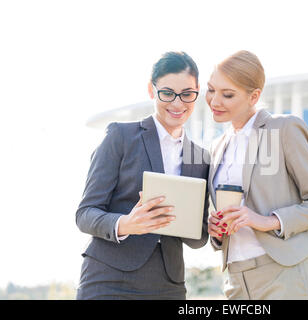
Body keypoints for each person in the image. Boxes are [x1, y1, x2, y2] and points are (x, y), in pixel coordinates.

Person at [76, 51, 210, 300]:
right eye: (168, 93)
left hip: (167, 284)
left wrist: (213, 228)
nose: (178, 103)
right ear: (152, 90)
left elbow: (197, 238)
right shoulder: (121, 137)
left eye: (187, 94)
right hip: (108, 279)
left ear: (197, 92)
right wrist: (125, 224)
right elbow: (85, 214)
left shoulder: (200, 158)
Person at [206, 50, 308, 300]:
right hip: (235, 280)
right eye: (211, 89)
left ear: (254, 96)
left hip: (282, 273)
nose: (214, 101)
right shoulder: (216, 148)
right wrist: (216, 230)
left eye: (228, 94)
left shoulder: (283, 129)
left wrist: (268, 221)